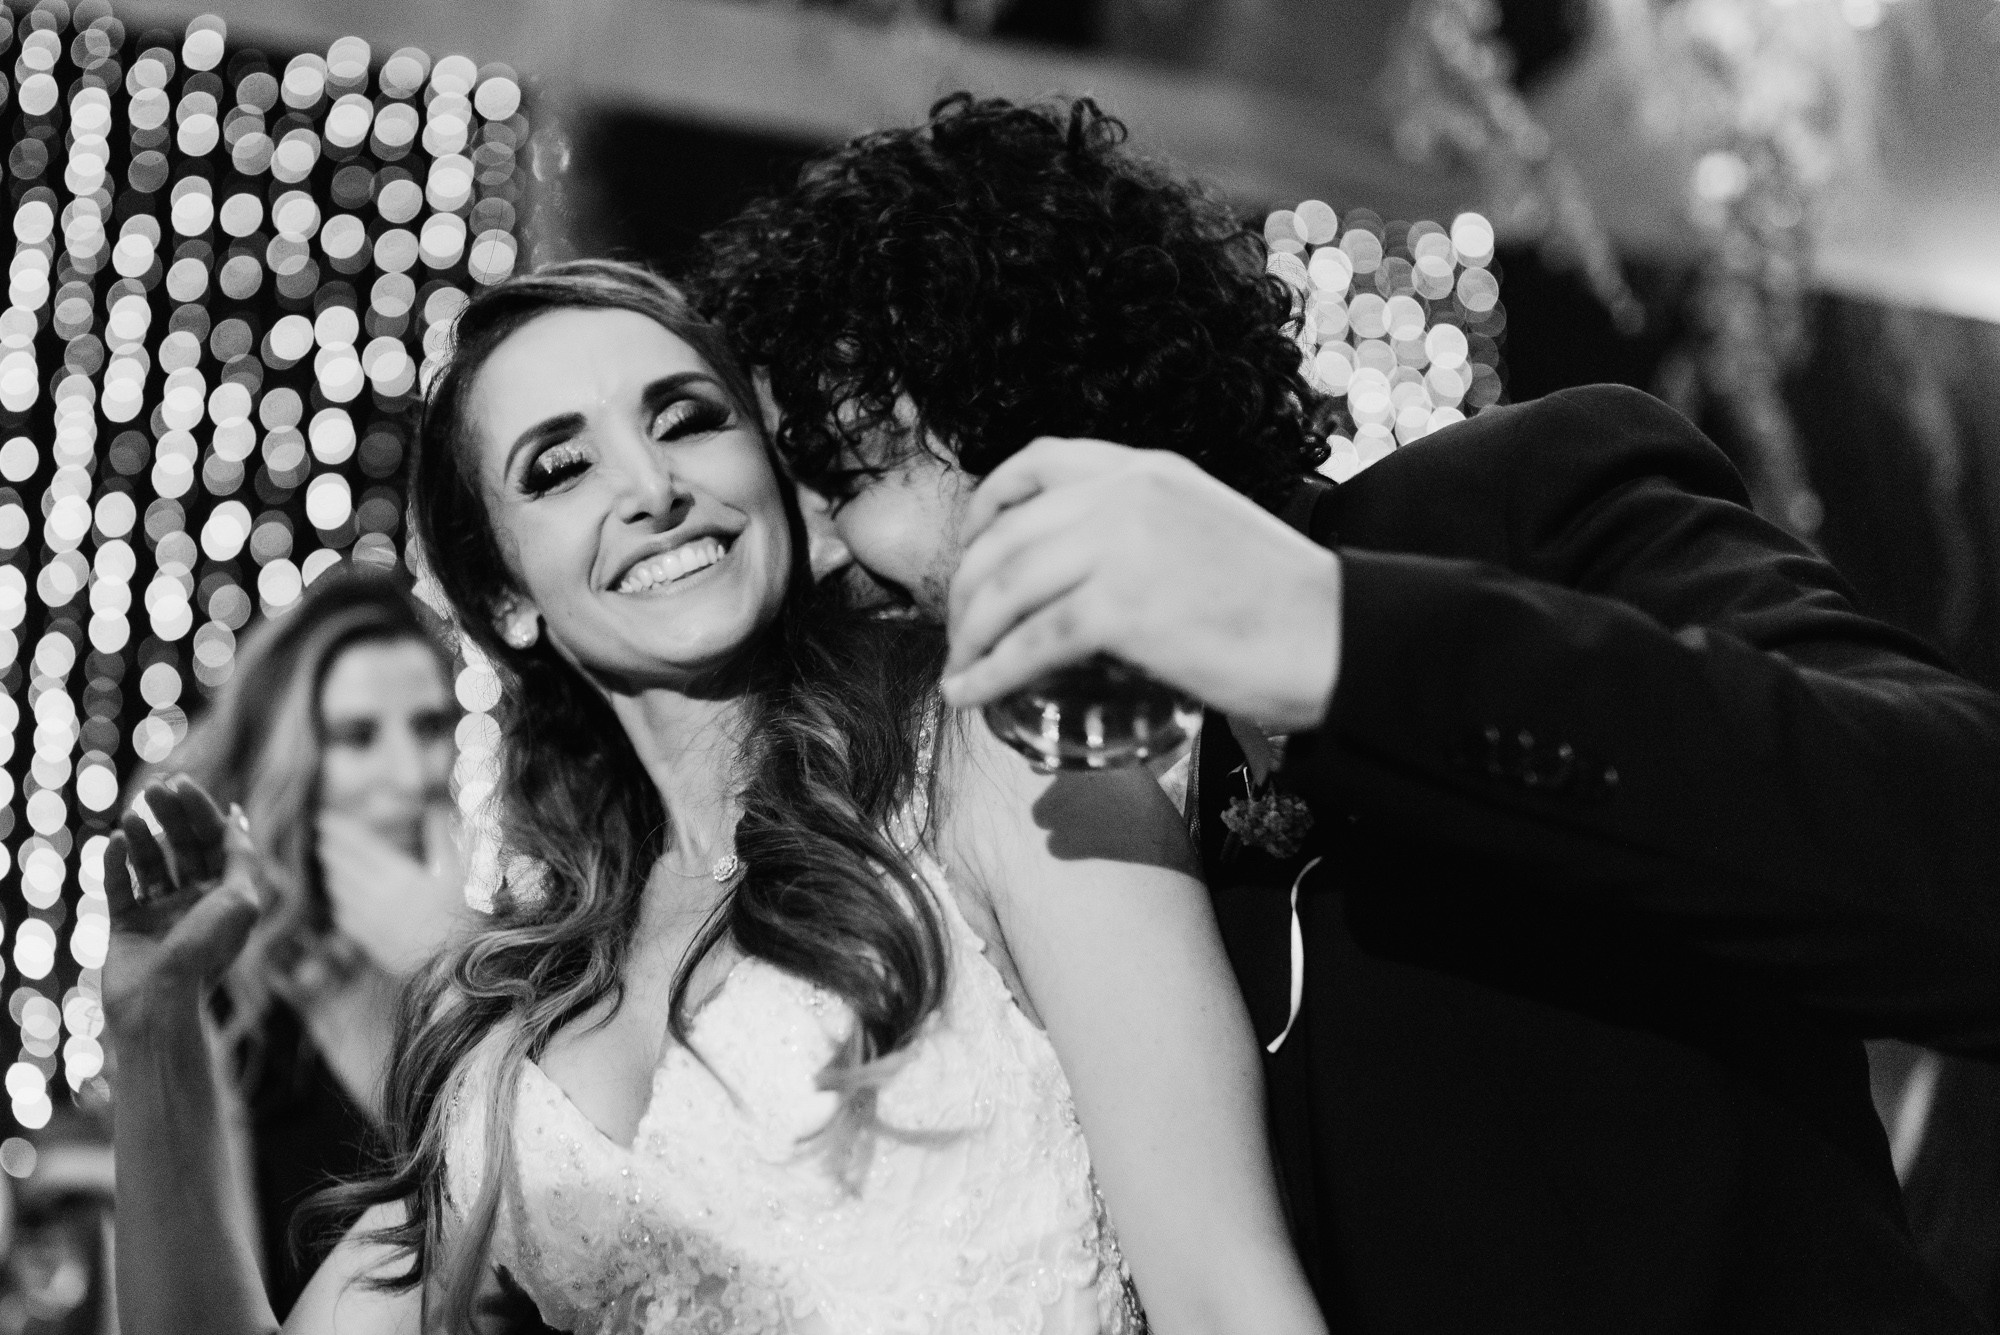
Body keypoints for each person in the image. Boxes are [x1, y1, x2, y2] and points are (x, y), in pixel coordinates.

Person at [692, 94, 2000, 1333]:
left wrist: (1335, 646)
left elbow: (1959, 845)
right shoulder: (993, 806)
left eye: (844, 478)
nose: (817, 560)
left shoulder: (1517, 503)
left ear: (1003, 391)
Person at [106, 261, 1327, 1335]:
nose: (651, 487)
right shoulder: (509, 1025)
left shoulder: (997, 756)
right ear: (507, 596)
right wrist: (155, 1024)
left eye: (686, 420)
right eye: (561, 468)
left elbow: (1226, 1295)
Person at [123, 568, 470, 1316]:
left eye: (430, 726)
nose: (412, 774)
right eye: (358, 736)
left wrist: (454, 963)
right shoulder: (232, 1001)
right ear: (294, 761)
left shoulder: (498, 954)